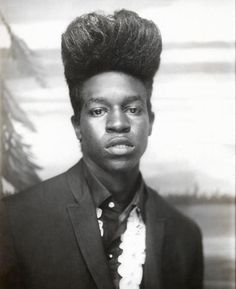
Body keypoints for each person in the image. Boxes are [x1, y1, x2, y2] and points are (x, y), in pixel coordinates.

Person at [0, 9, 204, 289]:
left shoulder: (185, 237)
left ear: (150, 121)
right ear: (77, 127)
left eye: (133, 109)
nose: (118, 123)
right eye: (98, 110)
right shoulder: (14, 221)